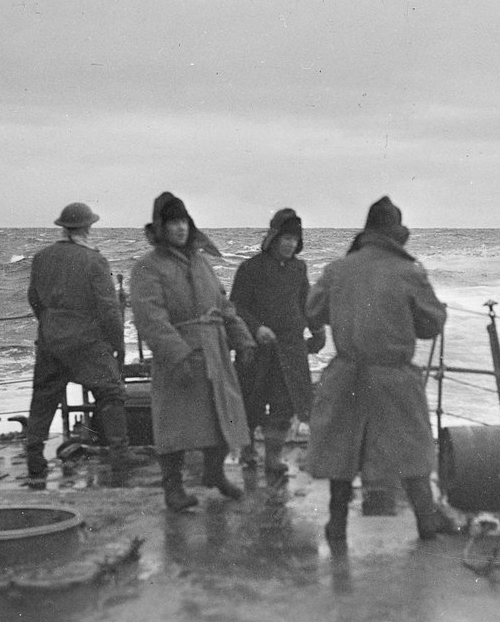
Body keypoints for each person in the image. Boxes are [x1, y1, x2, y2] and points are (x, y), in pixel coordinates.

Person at [305, 196, 447, 544]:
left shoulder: (338, 268)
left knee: (343, 452)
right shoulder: (408, 272)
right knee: (412, 450)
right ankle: (426, 521)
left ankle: (336, 524)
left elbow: (313, 309)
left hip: (346, 374)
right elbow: (431, 324)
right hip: (393, 376)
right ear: (397, 234)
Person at [130, 192, 255, 511]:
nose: (180, 228)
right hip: (180, 355)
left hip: (214, 352)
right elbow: (150, 316)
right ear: (160, 227)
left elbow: (222, 304)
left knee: (223, 417)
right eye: (173, 222)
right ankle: (172, 487)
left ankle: (214, 473)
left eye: (184, 221)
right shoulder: (148, 267)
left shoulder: (201, 262)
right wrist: (178, 354)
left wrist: (241, 337)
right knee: (174, 424)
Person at [26, 202, 132, 489]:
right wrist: (117, 344)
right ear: (87, 227)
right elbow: (109, 308)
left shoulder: (41, 257)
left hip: (49, 339)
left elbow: (34, 299)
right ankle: (120, 460)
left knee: (44, 398)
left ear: (63, 227)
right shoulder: (94, 261)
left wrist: (51, 324)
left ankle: (34, 460)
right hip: (86, 341)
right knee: (110, 394)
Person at [230, 208, 325, 477]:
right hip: (257, 350)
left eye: (295, 240)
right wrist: (256, 328)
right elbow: (236, 306)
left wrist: (317, 330)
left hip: (291, 349)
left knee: (286, 405)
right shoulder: (250, 269)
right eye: (286, 238)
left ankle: (273, 457)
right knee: (251, 401)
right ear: (273, 238)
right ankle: (247, 450)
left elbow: (306, 303)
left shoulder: (299, 268)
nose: (290, 244)